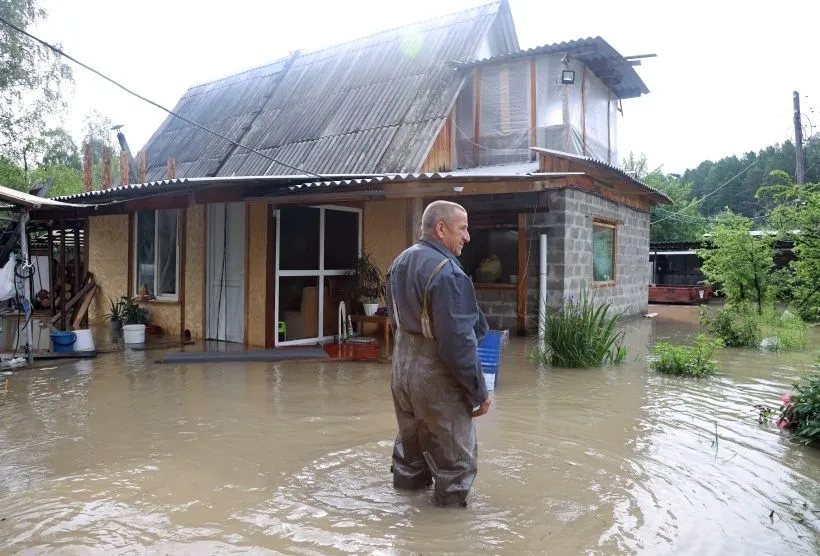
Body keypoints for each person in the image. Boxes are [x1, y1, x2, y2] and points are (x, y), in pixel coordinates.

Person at [385, 199, 491, 507]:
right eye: (462, 228)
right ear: (441, 228)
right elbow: (458, 344)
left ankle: (407, 521)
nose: (467, 237)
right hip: (435, 379)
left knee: (411, 452)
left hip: (401, 373)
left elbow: (395, 322)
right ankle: (448, 537)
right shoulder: (448, 274)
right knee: (455, 467)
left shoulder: (399, 262)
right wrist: (478, 390)